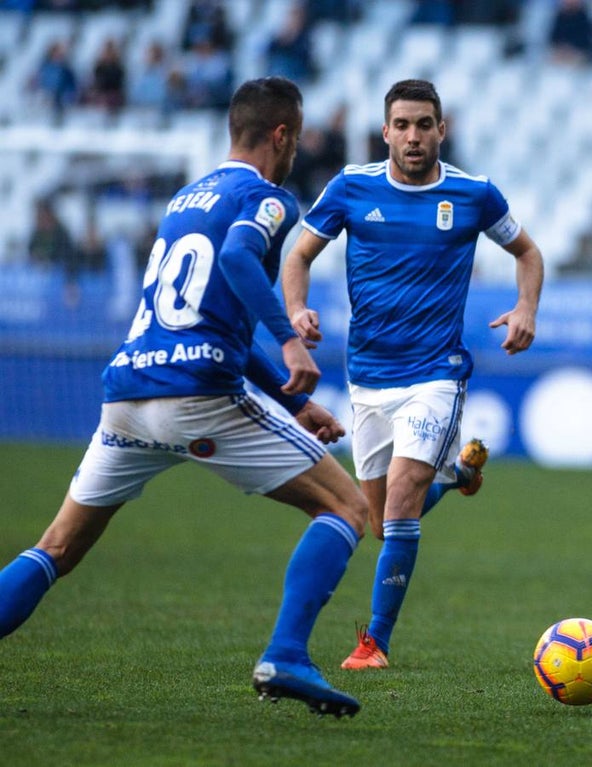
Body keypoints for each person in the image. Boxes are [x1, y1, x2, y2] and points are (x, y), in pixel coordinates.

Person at [0, 77, 368, 718]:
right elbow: (236, 258)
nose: (294, 152)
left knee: (56, 547)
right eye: (295, 140)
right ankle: (287, 654)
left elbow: (205, 319)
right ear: (281, 136)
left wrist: (293, 402)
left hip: (128, 393)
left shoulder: (183, 200)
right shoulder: (269, 197)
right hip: (196, 397)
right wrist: (289, 341)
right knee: (347, 506)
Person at [281, 78, 544, 672]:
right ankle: (456, 477)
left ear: (441, 130)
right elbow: (297, 255)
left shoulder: (473, 194)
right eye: (402, 125)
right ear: (385, 132)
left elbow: (528, 253)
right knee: (382, 522)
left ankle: (374, 643)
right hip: (367, 377)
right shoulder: (352, 187)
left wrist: (526, 308)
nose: (413, 135)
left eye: (424, 124)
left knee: (400, 499)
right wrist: (297, 311)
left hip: (436, 373)